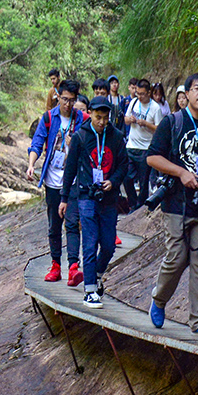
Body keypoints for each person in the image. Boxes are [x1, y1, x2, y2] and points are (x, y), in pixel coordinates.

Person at [145, 73, 198, 337]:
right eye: (196, 89)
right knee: (177, 258)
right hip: (176, 206)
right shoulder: (173, 122)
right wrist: (181, 173)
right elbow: (152, 158)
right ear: (187, 93)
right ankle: (159, 301)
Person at [59, 97, 130, 307]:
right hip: (86, 196)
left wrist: (113, 182)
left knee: (108, 245)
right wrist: (64, 199)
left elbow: (123, 165)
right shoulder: (81, 136)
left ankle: (97, 274)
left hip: (108, 198)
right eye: (98, 117)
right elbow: (70, 168)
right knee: (89, 243)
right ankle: (89, 290)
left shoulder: (116, 137)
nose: (101, 122)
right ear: (90, 113)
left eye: (105, 118)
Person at [27, 80, 85, 285]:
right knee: (54, 226)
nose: (68, 104)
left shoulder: (82, 119)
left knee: (71, 223)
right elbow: (37, 142)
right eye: (64, 99)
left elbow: (92, 143)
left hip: (74, 181)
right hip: (52, 180)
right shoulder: (48, 118)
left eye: (72, 100)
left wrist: (76, 142)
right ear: (57, 97)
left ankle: (73, 267)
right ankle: (55, 266)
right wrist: (31, 165)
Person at [124, 77, 164, 204]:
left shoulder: (155, 108)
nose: (139, 96)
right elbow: (125, 119)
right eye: (137, 93)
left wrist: (146, 124)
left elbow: (159, 129)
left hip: (145, 149)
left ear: (148, 93)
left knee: (143, 182)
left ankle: (140, 206)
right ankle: (132, 203)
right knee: (126, 177)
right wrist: (129, 120)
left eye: (142, 94)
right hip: (131, 145)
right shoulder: (134, 102)